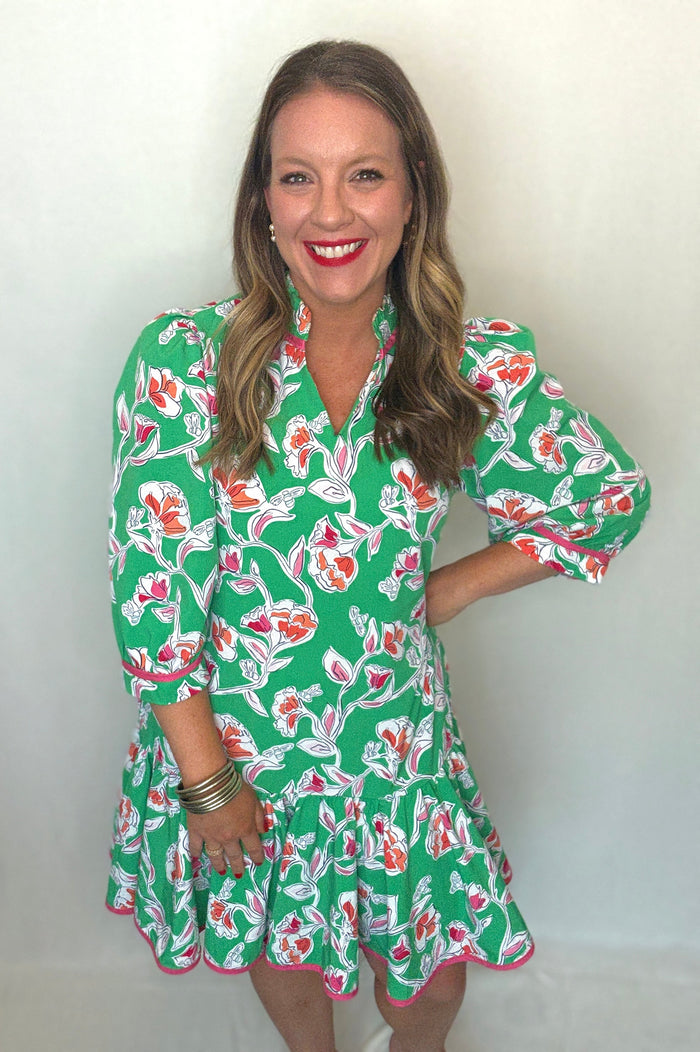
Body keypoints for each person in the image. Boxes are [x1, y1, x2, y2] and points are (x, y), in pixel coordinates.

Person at [106, 40, 650, 1052]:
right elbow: (152, 597)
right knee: (284, 952)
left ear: (412, 195)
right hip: (243, 748)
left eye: (364, 174)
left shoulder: (462, 367)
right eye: (296, 177)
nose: (329, 212)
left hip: (398, 749)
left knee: (428, 989)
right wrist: (208, 780)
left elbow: (603, 497)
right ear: (260, 202)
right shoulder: (187, 366)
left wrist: (446, 589)